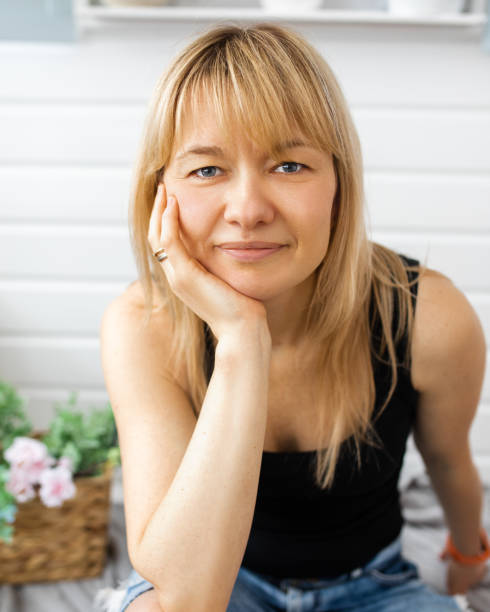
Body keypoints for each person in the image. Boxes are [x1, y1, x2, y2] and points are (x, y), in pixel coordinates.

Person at [97, 22, 488, 612]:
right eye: (207, 169)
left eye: (288, 166)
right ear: (161, 196)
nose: (249, 210)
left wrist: (468, 558)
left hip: (376, 586)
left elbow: (448, 458)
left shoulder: (427, 315)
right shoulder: (142, 325)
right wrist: (240, 339)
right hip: (226, 586)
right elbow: (184, 597)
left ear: (339, 184)